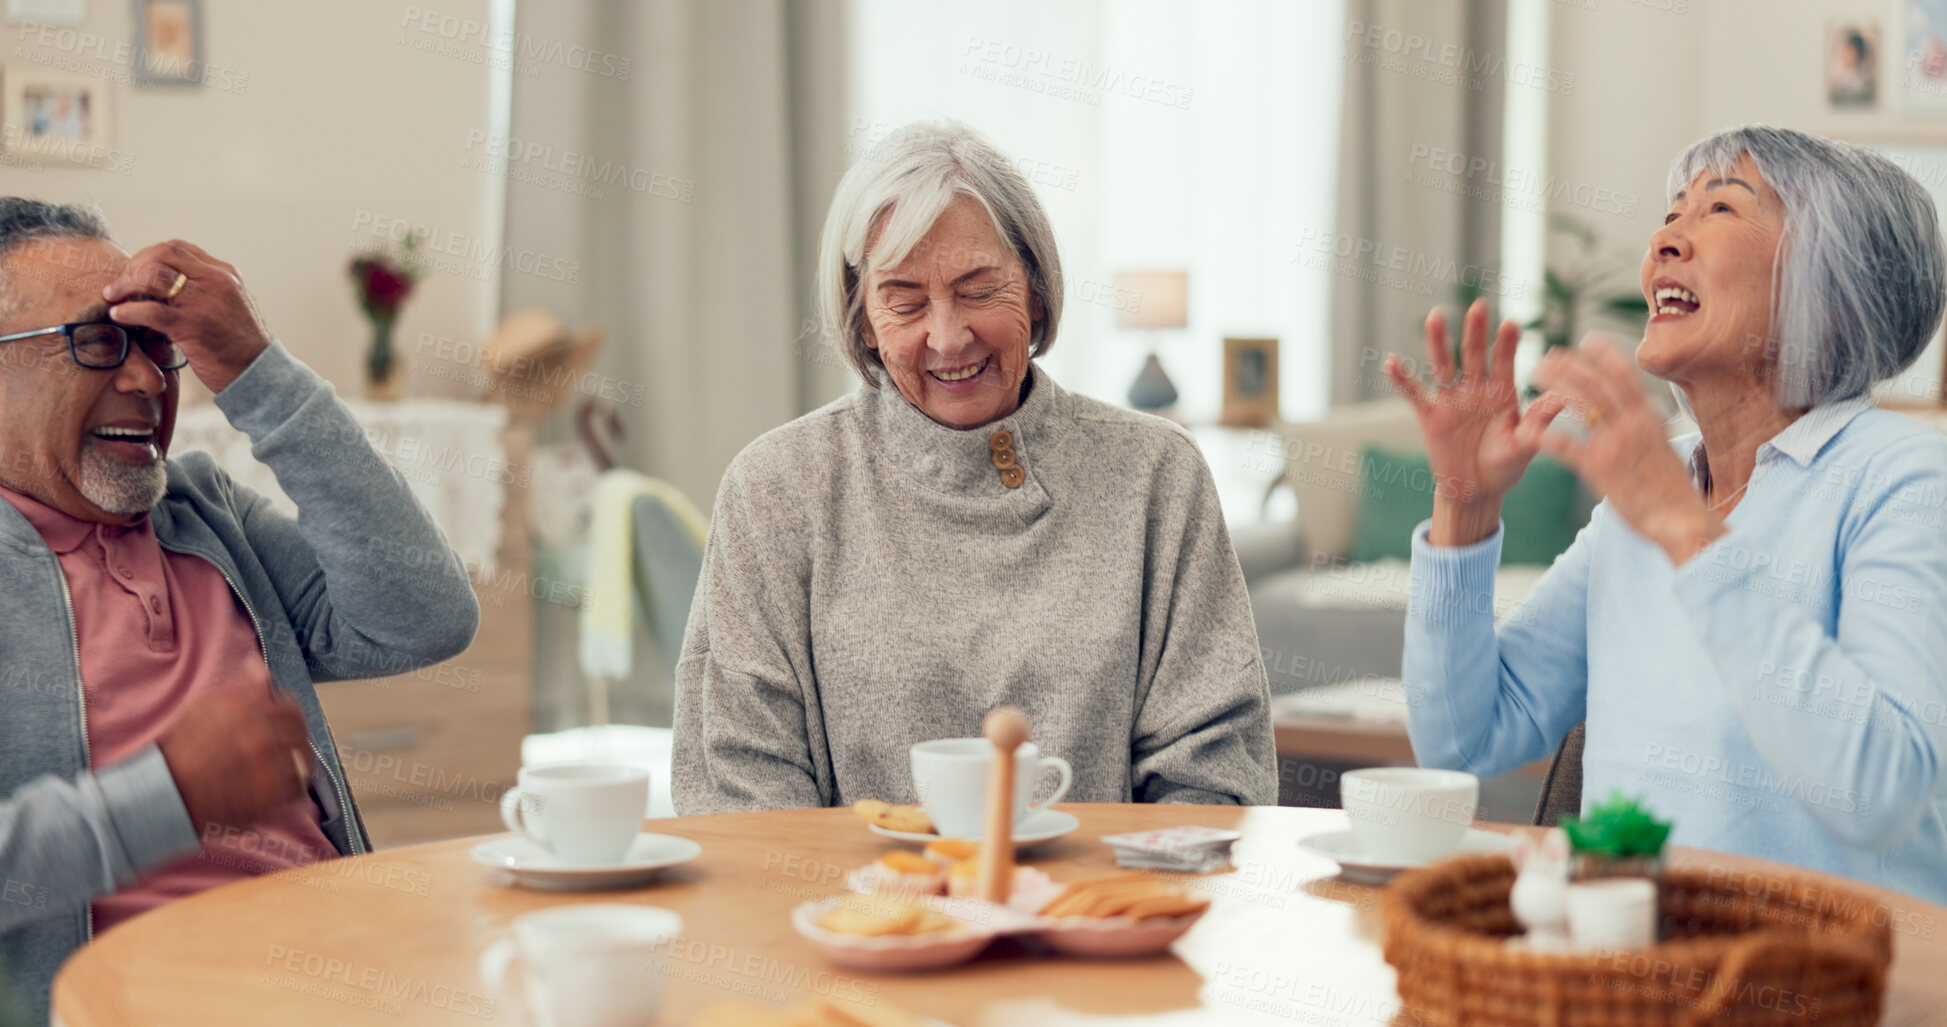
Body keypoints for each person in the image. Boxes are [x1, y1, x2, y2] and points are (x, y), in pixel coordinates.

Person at [1387, 126, 1947, 902]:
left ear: (1829, 274)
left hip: (1831, 989)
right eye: (1670, 210)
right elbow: (1465, 738)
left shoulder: (1905, 474)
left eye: (1718, 207)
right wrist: (1466, 509)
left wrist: (1684, 529)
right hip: (1637, 980)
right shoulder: (1653, 483)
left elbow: (1879, 791)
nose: (1664, 239)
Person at [672, 120, 1275, 813]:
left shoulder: (1156, 475)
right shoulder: (775, 487)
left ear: (1037, 289)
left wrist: (1106, 908)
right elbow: (740, 786)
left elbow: (1214, 773)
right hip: (850, 914)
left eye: (979, 289)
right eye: (903, 299)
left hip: (1095, 912)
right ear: (863, 319)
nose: (947, 335)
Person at [0, 198, 478, 1019]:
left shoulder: (204, 511)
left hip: (342, 974)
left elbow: (423, 616)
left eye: (155, 343)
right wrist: (168, 797)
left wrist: (257, 371)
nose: (147, 377)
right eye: (99, 340)